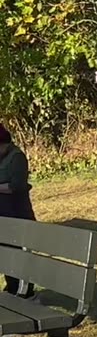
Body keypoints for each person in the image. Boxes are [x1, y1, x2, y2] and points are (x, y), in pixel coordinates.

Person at [0, 123, 35, 296]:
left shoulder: (17, 157)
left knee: (19, 252)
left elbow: (17, 185)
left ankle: (26, 292)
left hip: (17, 212)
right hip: (3, 215)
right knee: (5, 252)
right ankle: (12, 286)